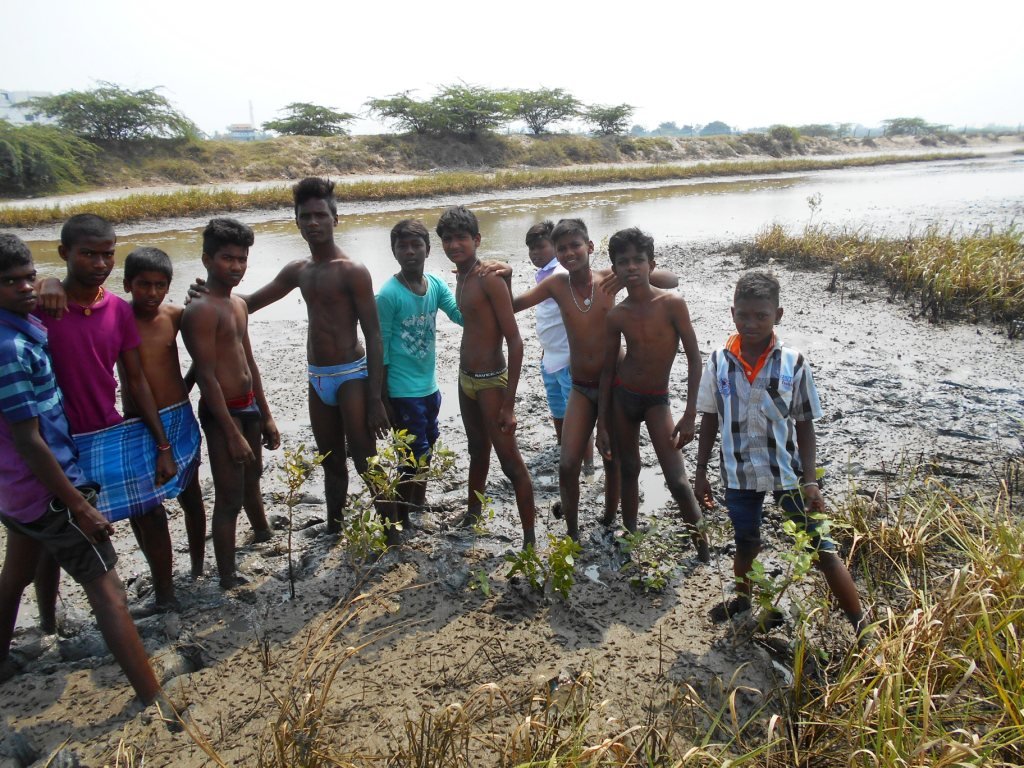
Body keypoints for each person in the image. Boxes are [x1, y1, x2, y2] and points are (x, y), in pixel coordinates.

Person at [0, 233, 168, 714]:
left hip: (21, 488)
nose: (25, 288)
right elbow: (29, 439)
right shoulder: (14, 345)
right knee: (109, 591)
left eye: (27, 278)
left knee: (15, 573)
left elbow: (131, 375)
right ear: (66, 254)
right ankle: (154, 698)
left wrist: (44, 283)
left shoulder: (31, 319)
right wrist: (77, 504)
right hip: (50, 485)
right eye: (11, 282)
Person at [191, 178, 390, 540]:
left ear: (335, 218)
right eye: (305, 216)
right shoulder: (299, 270)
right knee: (330, 460)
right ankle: (335, 527)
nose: (313, 223)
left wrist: (376, 397)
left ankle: (393, 532)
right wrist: (207, 295)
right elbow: (245, 304)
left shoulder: (353, 270)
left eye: (320, 215)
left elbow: (375, 335)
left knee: (365, 458)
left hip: (351, 374)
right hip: (318, 376)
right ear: (296, 221)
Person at [693, 270, 868, 637]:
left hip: (787, 473)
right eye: (743, 315)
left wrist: (810, 480)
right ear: (732, 313)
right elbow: (709, 418)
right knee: (745, 543)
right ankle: (743, 601)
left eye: (761, 315)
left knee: (821, 547)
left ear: (779, 315)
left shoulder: (793, 363)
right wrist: (700, 472)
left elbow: (805, 423)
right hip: (738, 472)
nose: (751, 323)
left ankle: (862, 625)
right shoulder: (718, 361)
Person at [34, 214, 179, 626]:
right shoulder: (42, 308)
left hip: (111, 430)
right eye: (89, 254)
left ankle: (166, 596)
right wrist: (45, 282)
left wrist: (161, 444)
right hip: (60, 440)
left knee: (149, 512)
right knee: (52, 535)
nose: (100, 264)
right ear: (64, 254)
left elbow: (136, 380)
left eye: (107, 254)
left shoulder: (116, 309)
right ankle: (48, 621)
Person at [497, 218, 678, 541]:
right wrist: (507, 277)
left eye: (575, 246)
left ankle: (610, 520)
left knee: (613, 461)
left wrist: (629, 275)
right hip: (581, 387)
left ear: (590, 247)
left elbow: (671, 280)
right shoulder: (556, 284)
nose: (569, 253)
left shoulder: (609, 277)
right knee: (568, 463)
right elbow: (513, 305)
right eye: (562, 248)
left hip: (615, 385)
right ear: (556, 252)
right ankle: (573, 532)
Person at [596, 228, 710, 560]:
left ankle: (702, 549)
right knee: (629, 469)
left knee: (676, 479)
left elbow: (694, 358)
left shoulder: (671, 303)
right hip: (623, 398)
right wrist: (602, 424)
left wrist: (690, 414)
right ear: (614, 270)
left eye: (638, 260)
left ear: (652, 264)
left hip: (657, 399)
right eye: (623, 262)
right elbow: (607, 372)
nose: (631, 267)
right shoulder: (617, 315)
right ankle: (630, 538)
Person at [181, 218, 279, 589]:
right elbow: (206, 377)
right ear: (207, 259)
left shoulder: (237, 304)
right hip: (223, 413)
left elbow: (249, 362)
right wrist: (230, 432)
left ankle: (264, 532)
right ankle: (225, 575)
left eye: (242, 259)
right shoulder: (201, 310)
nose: (236, 266)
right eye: (227, 258)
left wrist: (266, 415)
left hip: (248, 404)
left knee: (252, 477)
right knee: (228, 496)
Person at [437, 205, 536, 549]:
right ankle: (473, 513)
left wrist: (509, 404)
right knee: (477, 449)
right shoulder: (460, 275)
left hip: (493, 380)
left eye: (461, 238)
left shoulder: (488, 277)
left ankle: (529, 539)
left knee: (511, 464)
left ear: (477, 240)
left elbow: (515, 340)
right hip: (466, 378)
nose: (454, 245)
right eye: (447, 239)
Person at [122, 247, 207, 578]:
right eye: (144, 285)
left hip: (179, 417)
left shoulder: (174, 315)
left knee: (191, 497)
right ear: (127, 284)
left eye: (160, 285)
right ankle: (161, 574)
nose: (152, 293)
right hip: (138, 423)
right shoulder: (119, 318)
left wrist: (186, 385)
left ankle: (199, 567)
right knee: (141, 505)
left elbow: (206, 352)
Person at [376, 219, 462, 528]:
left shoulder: (435, 285)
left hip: (429, 389)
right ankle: (399, 516)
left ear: (428, 249)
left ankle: (416, 504)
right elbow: (381, 351)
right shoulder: (388, 295)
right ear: (394, 251)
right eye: (403, 246)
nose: (410, 252)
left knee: (428, 446)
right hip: (401, 392)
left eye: (416, 245)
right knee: (414, 457)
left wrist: (468, 277)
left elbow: (460, 315)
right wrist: (381, 400)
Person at [525, 221, 594, 484]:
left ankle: (587, 465)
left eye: (540, 246)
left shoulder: (559, 275)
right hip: (550, 356)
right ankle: (563, 449)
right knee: (557, 409)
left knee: (578, 414)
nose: (535, 253)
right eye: (531, 248)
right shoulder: (544, 275)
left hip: (568, 359)